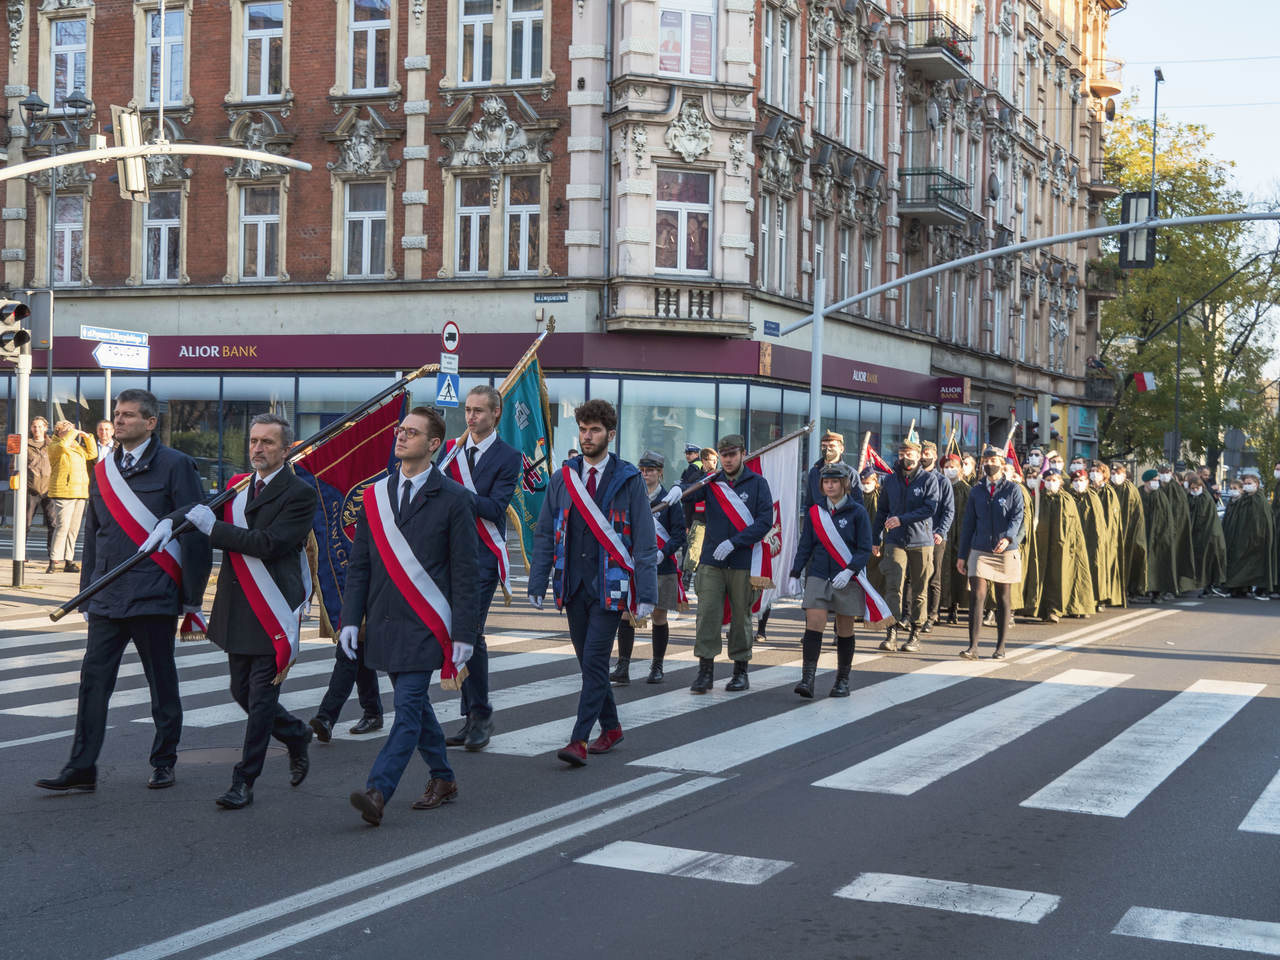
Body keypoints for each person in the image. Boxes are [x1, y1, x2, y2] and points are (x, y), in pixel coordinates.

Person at [35, 390, 211, 793]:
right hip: (108, 596)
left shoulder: (176, 465)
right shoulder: (103, 469)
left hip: (154, 594)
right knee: (93, 683)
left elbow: (197, 525)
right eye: (117, 414)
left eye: (129, 415)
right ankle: (81, 767)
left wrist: (192, 597)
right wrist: (86, 592)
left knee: (161, 684)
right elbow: (96, 536)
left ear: (151, 423)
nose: (119, 421)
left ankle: (163, 760)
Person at [343, 407, 480, 825]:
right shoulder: (375, 495)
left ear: (434, 444)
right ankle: (443, 776)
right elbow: (360, 563)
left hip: (426, 625)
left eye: (412, 433)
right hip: (385, 622)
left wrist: (464, 633)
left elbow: (465, 571)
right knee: (417, 708)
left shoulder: (454, 498)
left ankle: (377, 790)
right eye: (401, 431)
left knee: (405, 711)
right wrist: (351, 618)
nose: (401, 437)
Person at [182, 413, 316, 810]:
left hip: (271, 606)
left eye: (268, 442)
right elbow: (200, 513)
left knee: (259, 699)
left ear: (286, 449)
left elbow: (270, 543)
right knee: (239, 691)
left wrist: (214, 531)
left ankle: (244, 780)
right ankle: (294, 733)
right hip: (238, 604)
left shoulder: (300, 493)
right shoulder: (240, 488)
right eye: (254, 441)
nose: (258, 448)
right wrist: (170, 523)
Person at [528, 399, 657, 766]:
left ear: (610, 435)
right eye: (583, 429)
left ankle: (579, 740)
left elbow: (645, 541)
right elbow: (543, 534)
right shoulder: (563, 477)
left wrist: (645, 592)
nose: (587, 436)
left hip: (611, 586)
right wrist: (537, 582)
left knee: (597, 660)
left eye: (595, 430)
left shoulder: (629, 479)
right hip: (572, 584)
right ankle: (612, 727)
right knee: (589, 664)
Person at [438, 385, 522, 752]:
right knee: (458, 633)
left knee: (471, 634)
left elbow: (494, 507)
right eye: (468, 410)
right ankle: (469, 715)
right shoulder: (452, 451)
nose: (471, 417)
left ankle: (482, 714)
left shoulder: (509, 456)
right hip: (448, 554)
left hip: (483, 555)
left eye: (479, 411)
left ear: (495, 415)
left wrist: (452, 495)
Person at [682, 434, 772, 693]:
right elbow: (686, 498)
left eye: (733, 454)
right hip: (712, 559)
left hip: (742, 560)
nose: (728, 459)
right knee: (707, 614)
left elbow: (764, 521)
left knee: (741, 616)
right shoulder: (712, 482)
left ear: (743, 453)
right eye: (724, 455)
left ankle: (740, 671)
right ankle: (705, 672)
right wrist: (684, 483)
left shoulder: (757, 484)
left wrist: (735, 542)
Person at [789, 461, 871, 698]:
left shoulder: (858, 512)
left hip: (847, 576)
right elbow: (806, 545)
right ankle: (807, 679)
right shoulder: (816, 512)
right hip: (819, 573)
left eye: (835, 481)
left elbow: (864, 548)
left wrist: (850, 570)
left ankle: (842, 680)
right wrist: (796, 572)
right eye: (826, 481)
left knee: (844, 627)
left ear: (845, 484)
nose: (830, 485)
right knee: (814, 622)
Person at [611, 449, 684, 685]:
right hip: (635, 565)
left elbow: (679, 535)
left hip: (662, 566)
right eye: (642, 470)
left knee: (659, 616)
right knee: (626, 614)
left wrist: (664, 552)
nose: (645, 474)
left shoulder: (670, 500)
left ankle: (657, 665)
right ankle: (623, 665)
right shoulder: (633, 495)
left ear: (660, 473)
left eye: (650, 470)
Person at [957, 445, 1025, 659]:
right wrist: (962, 554)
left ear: (1002, 463)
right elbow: (968, 523)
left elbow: (1017, 517)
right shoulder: (977, 490)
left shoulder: (1013, 489)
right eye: (985, 461)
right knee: (977, 596)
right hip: (980, 548)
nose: (989, 464)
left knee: (1003, 597)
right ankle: (973, 647)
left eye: (993, 461)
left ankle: (1001, 647)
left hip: (1005, 549)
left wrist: (1008, 537)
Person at [872, 438, 940, 652]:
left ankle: (915, 633)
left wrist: (903, 518)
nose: (905, 458)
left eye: (910, 454)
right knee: (893, 585)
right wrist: (875, 538)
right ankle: (891, 631)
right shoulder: (890, 481)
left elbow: (930, 508)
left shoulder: (929, 480)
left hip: (921, 541)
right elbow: (881, 511)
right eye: (901, 454)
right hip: (895, 540)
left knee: (920, 588)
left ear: (919, 456)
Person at [1032, 466, 1094, 622]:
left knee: (1059, 577)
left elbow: (1074, 527)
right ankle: (1039, 609)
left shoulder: (1066, 500)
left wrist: (1071, 545)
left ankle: (1056, 609)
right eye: (1048, 480)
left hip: (1062, 547)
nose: (1051, 483)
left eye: (1054, 480)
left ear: (1060, 482)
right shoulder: (1038, 499)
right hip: (1041, 546)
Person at [47, 420, 97, 573]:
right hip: (64, 491)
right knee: (63, 526)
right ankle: (54, 560)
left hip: (80, 491)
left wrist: (87, 437)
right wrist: (73, 433)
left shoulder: (76, 447)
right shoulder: (55, 446)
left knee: (74, 529)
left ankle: (69, 560)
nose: (71, 433)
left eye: (72, 430)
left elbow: (92, 454)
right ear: (59, 432)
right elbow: (63, 445)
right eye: (67, 430)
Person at [913, 440, 952, 632]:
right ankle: (913, 614)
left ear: (935, 456)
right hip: (917, 535)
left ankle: (932, 615)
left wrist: (941, 531)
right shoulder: (914, 478)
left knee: (934, 577)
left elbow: (948, 510)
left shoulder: (942, 481)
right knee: (915, 577)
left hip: (935, 535)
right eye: (922, 453)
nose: (924, 457)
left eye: (928, 454)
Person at [1068, 467, 1120, 612]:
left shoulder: (1092, 497)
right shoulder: (1068, 496)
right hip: (1074, 541)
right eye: (1076, 481)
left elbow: (1098, 523)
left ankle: (1097, 598)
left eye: (1082, 480)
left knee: (1095, 567)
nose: (1079, 483)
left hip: (1091, 540)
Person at [1222, 467, 1275, 600]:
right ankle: (1239, 588)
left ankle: (1261, 590)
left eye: (1249, 483)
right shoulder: (1244, 499)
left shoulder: (1260, 500)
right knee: (1240, 564)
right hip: (1242, 539)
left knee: (1256, 566)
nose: (1247, 486)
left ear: (1256, 484)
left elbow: (1262, 521)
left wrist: (1257, 537)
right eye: (1245, 483)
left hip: (1256, 540)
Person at [1087, 462, 1127, 608]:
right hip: (1090, 534)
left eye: (1097, 471)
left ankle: (1102, 597)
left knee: (1102, 565)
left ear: (1104, 474)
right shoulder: (1089, 490)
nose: (1094, 474)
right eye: (1092, 471)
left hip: (1105, 537)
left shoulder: (1108, 493)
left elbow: (1110, 519)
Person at [1109, 461, 1149, 599]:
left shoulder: (1129, 489)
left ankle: (1127, 589)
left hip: (1128, 533)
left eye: (1118, 473)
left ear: (1124, 474)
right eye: (1112, 474)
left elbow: (1132, 514)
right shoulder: (1109, 488)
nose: (1115, 476)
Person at [939, 453, 970, 625]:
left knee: (956, 574)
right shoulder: (939, 487)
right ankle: (937, 607)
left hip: (959, 535)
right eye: (947, 467)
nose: (949, 470)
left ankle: (954, 607)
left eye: (953, 467)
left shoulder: (966, 490)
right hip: (942, 534)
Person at [1185, 471, 1227, 597]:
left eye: (1197, 488)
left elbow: (1201, 517)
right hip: (1201, 536)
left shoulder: (1205, 498)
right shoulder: (1192, 497)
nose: (1195, 490)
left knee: (1209, 562)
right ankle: (1207, 586)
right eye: (1192, 488)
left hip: (1209, 536)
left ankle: (1210, 586)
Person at [1138, 469, 1179, 600]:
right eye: (1153, 480)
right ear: (1146, 481)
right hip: (1142, 534)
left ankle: (1157, 592)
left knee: (1157, 565)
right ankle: (1138, 590)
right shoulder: (1138, 494)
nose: (1156, 483)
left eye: (1157, 480)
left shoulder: (1161, 496)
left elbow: (1167, 518)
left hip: (1158, 537)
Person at [682, 446, 718, 589]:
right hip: (699, 519)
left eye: (716, 461)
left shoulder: (719, 476)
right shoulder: (696, 477)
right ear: (703, 460)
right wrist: (687, 523)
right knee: (694, 548)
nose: (714, 464)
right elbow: (688, 501)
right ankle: (687, 575)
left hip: (715, 520)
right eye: (711, 461)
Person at [802, 430, 862, 511]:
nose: (827, 449)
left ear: (841, 449)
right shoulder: (814, 472)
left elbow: (858, 506)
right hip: (818, 521)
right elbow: (809, 504)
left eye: (832, 446)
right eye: (824, 446)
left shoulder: (851, 473)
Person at [24, 416, 55, 563]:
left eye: (40, 426)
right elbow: (14, 466)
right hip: (31, 490)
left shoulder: (53, 444)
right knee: (25, 524)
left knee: (53, 524)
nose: (37, 429)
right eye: (34, 426)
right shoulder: (26, 445)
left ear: (45, 428)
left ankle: (53, 556)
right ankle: (21, 554)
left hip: (49, 490)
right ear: (31, 428)